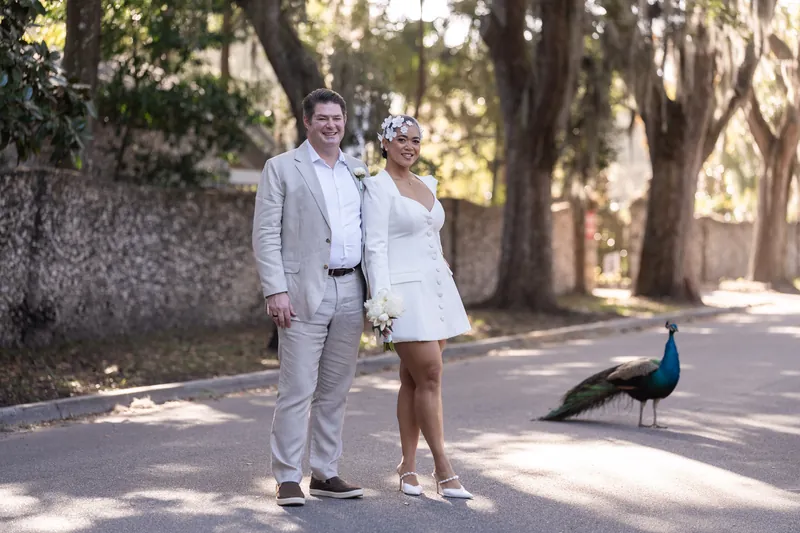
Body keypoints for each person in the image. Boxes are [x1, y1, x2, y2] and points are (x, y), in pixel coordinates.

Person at [252, 88, 369, 507]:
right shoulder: (282, 168)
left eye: (337, 118)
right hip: (301, 293)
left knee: (335, 390)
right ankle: (287, 477)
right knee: (297, 388)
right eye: (323, 119)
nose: (332, 125)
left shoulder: (358, 171)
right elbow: (265, 234)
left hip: (351, 289)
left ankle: (325, 472)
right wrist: (276, 290)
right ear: (307, 122)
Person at [362, 114, 474, 499]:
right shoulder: (377, 188)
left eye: (416, 140)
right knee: (430, 374)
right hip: (402, 297)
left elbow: (429, 235)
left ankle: (407, 467)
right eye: (401, 139)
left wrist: (442, 265)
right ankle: (443, 469)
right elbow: (374, 248)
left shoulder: (426, 184)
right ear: (385, 143)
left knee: (413, 380)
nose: (409, 146)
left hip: (436, 292)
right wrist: (381, 304)